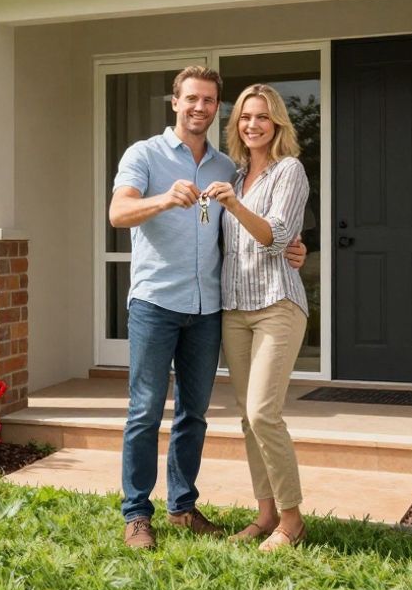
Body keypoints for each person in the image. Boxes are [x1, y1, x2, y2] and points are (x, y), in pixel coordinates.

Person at [109, 66, 304, 550]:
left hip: (210, 308)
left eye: (210, 101)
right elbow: (117, 213)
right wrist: (160, 200)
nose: (200, 107)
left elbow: (259, 228)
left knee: (195, 413)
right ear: (175, 102)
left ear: (218, 108)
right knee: (145, 411)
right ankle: (137, 515)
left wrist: (293, 247)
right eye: (192, 98)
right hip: (155, 301)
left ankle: (181, 507)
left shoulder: (226, 169)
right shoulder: (145, 154)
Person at [204, 83, 311, 551]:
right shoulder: (238, 172)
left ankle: (292, 519)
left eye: (262, 117)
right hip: (235, 309)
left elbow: (278, 234)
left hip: (276, 304)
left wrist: (233, 204)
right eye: (245, 117)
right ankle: (265, 515)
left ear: (278, 123)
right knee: (247, 418)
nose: (253, 124)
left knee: (265, 412)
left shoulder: (290, 171)